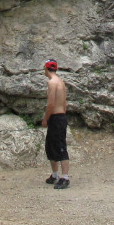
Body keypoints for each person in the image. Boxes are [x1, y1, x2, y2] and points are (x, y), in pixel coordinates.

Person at [41, 60, 70, 188]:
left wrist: (45, 119)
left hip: (56, 117)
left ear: (46, 69)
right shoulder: (61, 82)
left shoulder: (52, 83)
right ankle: (54, 175)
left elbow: (51, 104)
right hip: (61, 116)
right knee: (51, 145)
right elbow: (64, 103)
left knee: (60, 147)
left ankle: (65, 177)